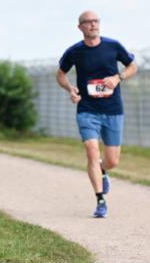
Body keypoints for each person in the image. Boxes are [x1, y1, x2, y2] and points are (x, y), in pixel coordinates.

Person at [56, 11, 137, 218]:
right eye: (88, 22)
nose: (93, 25)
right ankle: (100, 200)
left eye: (96, 21)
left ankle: (103, 170)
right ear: (80, 27)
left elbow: (132, 66)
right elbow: (60, 74)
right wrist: (70, 89)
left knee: (113, 160)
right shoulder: (74, 52)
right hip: (87, 109)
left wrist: (118, 78)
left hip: (112, 109)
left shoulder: (113, 46)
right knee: (92, 151)